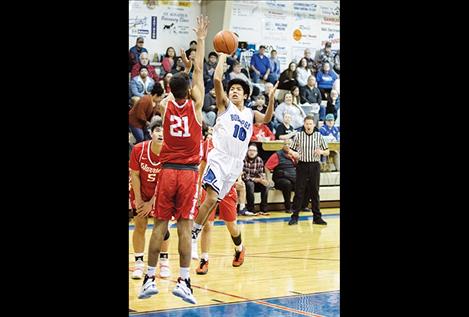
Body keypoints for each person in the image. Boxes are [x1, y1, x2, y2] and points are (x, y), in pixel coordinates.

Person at [138, 15, 209, 305]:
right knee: (183, 229)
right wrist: (201, 40)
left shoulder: (166, 106)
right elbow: (200, 70)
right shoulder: (196, 105)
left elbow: (183, 80)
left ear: (170, 89)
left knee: (159, 227)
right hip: (188, 173)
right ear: (189, 91)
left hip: (166, 172)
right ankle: (183, 281)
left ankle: (148, 279)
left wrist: (184, 68)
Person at [190, 51, 278, 267]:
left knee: (229, 220)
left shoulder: (250, 113)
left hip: (235, 165)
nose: (235, 91)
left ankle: (238, 249)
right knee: (210, 199)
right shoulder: (224, 106)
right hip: (219, 158)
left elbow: (266, 118)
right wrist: (222, 55)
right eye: (233, 89)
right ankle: (193, 238)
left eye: (239, 89)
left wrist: (272, 97)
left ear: (246, 95)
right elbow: (218, 79)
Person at [193, 132, 246, 274]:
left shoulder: (233, 141)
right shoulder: (208, 143)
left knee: (231, 225)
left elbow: (238, 161)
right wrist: (198, 190)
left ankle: (240, 248)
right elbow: (202, 166)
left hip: (227, 186)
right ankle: (204, 260)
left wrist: (239, 179)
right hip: (210, 185)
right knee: (207, 225)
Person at [129, 117, 171, 280]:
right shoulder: (138, 149)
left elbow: (164, 181)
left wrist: (151, 203)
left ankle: (164, 262)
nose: (161, 133)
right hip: (141, 191)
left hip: (162, 193)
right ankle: (139, 264)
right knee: (140, 224)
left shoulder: (170, 154)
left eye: (164, 131)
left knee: (162, 228)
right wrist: (139, 200)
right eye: (158, 130)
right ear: (151, 133)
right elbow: (135, 175)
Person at [287, 116, 329, 226]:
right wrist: (293, 153)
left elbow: (327, 151)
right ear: (304, 124)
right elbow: (290, 149)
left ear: (314, 125)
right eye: (307, 124)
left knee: (315, 192)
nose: (309, 126)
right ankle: (294, 217)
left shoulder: (319, 136)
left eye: (311, 124)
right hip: (302, 165)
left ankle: (317, 217)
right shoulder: (299, 136)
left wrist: (321, 152)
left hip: (314, 165)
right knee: (299, 191)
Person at [264, 139, 297, 212]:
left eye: (289, 144)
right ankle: (288, 207)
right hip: (280, 179)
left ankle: (299, 206)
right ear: (282, 145)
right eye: (286, 144)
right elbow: (267, 167)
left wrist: (296, 157)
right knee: (287, 184)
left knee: (304, 183)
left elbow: (298, 165)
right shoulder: (277, 155)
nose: (287, 146)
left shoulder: (293, 154)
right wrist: (269, 179)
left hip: (292, 177)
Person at [242, 144, 269, 214]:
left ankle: (263, 208)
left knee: (265, 186)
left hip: (256, 181)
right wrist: (255, 179)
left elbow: (260, 173)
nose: (252, 152)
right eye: (250, 150)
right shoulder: (243, 160)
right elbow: (244, 176)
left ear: (256, 152)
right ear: (247, 151)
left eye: (254, 151)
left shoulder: (259, 160)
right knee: (250, 184)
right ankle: (251, 208)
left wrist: (263, 180)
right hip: (245, 182)